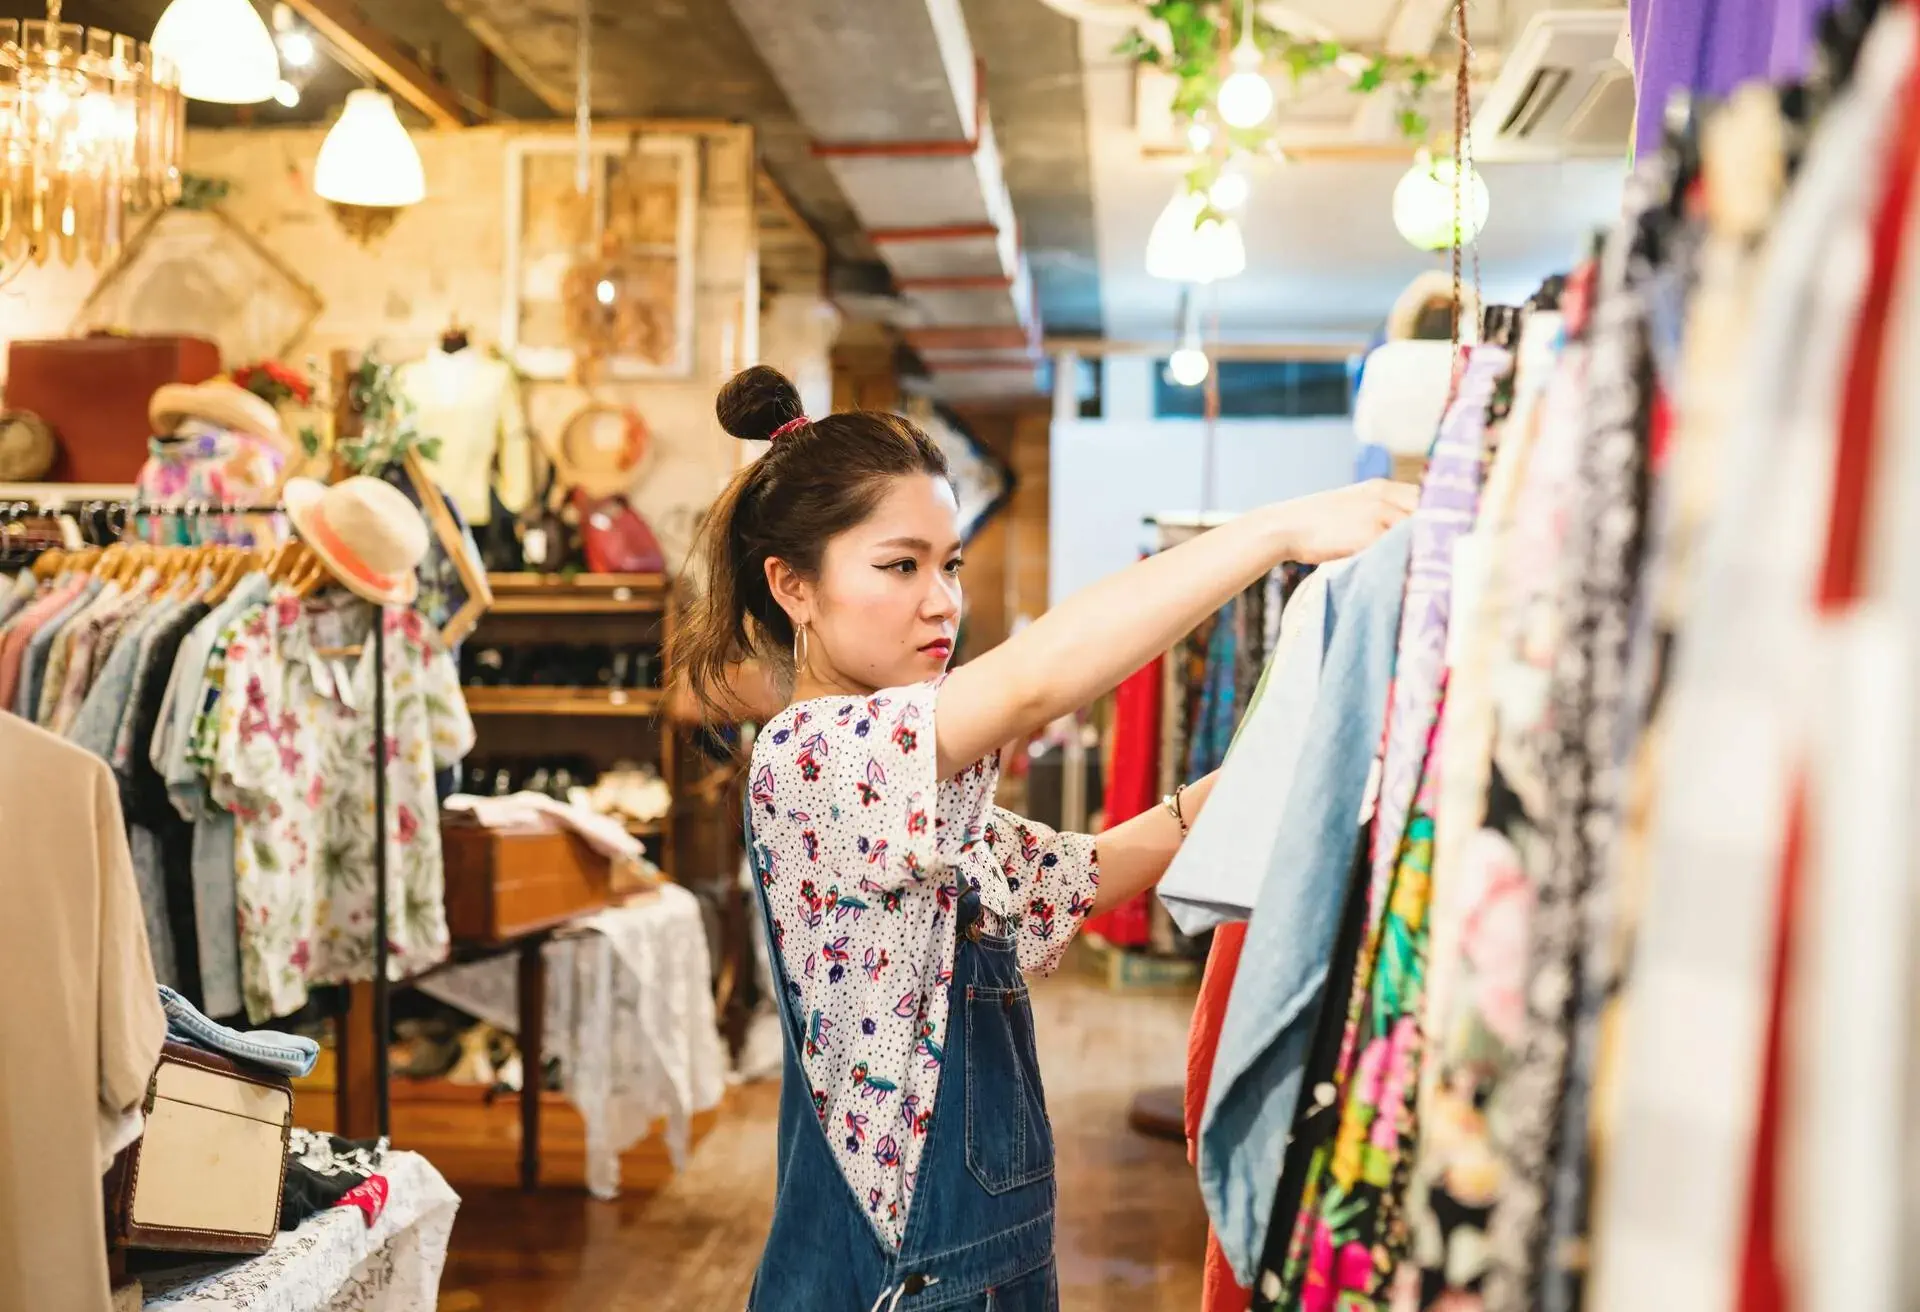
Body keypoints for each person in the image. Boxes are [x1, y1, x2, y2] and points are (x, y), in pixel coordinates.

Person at [671, 365, 1416, 1311]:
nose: (942, 601)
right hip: (911, 1281)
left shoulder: (916, 793)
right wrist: (1275, 531)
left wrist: (1289, 763)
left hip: (976, 1267)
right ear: (793, 586)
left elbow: (1084, 871)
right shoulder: (814, 756)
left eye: (950, 565)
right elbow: (1034, 683)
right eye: (900, 566)